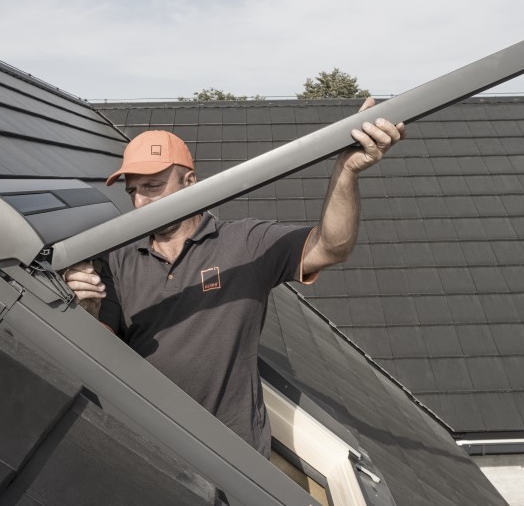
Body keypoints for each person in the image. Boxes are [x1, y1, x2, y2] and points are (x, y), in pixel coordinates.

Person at [63, 97, 405, 457]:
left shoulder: (244, 242)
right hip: (153, 444)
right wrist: (86, 307)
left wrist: (346, 171)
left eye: (153, 186)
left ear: (190, 182)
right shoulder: (117, 257)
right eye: (133, 191)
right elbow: (100, 347)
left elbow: (332, 247)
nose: (139, 204)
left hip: (234, 454)